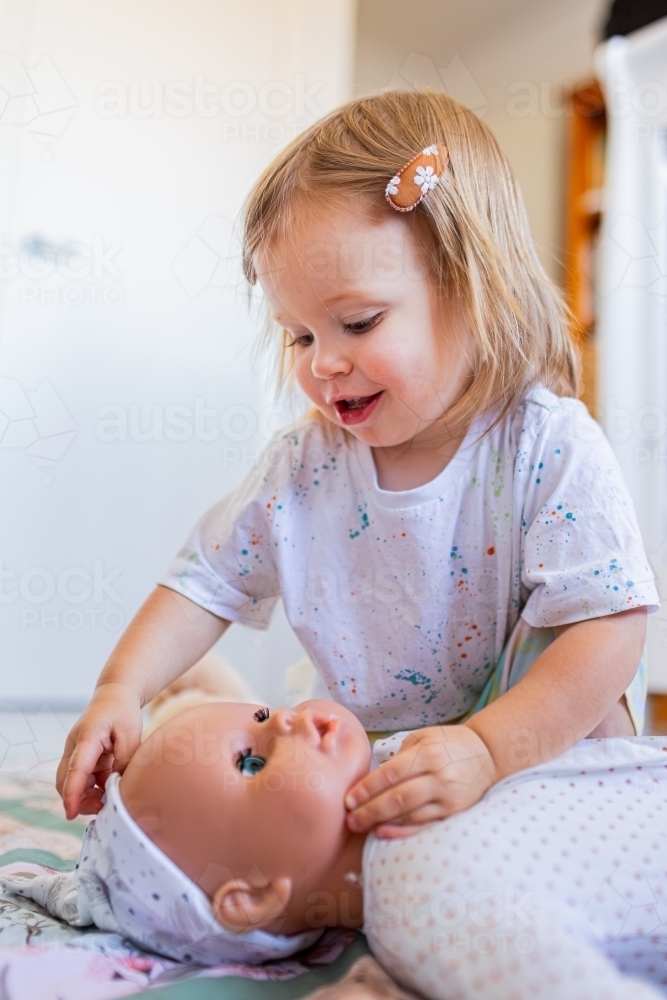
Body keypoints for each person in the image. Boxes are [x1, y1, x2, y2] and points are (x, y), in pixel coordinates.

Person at [57, 90, 658, 836]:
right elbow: (201, 583)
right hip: (385, 766)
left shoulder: (547, 445)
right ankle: (199, 691)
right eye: (298, 336)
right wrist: (120, 688)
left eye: (357, 322)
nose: (324, 364)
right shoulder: (304, 465)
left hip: (536, 757)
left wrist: (484, 750)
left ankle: (212, 690)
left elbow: (608, 631)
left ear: (475, 291)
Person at [14, 698, 667, 998]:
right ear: (254, 896)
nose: (292, 719)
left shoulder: (408, 762)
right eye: (252, 761)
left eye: (264, 715)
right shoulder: (428, 902)